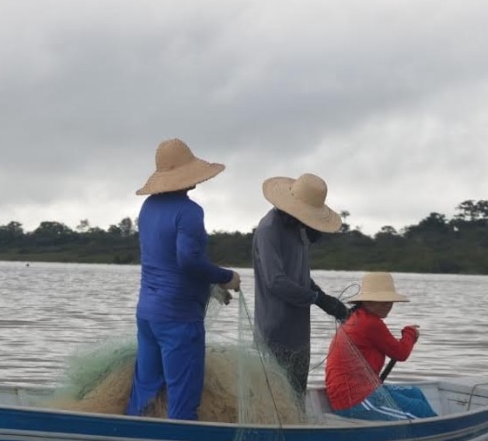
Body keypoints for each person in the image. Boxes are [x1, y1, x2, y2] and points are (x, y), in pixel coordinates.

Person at [126, 138, 241, 421]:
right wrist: (226, 277)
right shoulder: (189, 211)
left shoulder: (148, 208)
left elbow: (166, 259)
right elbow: (187, 261)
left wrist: (211, 285)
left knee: (145, 390)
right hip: (178, 317)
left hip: (148, 315)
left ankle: (129, 438)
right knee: (183, 396)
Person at [252, 173, 348, 394]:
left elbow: (300, 277)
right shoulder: (269, 230)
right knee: (275, 396)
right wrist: (316, 298)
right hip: (273, 331)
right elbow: (276, 281)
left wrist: (327, 301)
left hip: (299, 333)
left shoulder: (299, 231)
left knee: (296, 394)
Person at [324, 272, 436, 420]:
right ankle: (441, 432)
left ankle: (435, 428)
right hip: (355, 399)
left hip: (363, 389)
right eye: (381, 300)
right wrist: (410, 333)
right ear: (366, 301)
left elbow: (393, 348)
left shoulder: (359, 317)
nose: (388, 305)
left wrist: (408, 335)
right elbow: (401, 353)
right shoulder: (370, 323)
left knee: (415, 392)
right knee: (418, 410)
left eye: (389, 300)